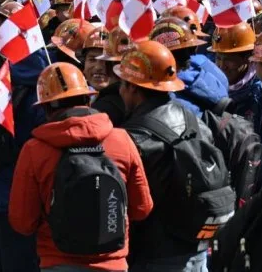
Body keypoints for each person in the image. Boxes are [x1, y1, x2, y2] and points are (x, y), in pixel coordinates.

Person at [9, 62, 154, 271]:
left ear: (46, 108)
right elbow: (142, 209)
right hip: (113, 262)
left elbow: (22, 222)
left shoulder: (34, 150)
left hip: (57, 262)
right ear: (88, 98)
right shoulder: (122, 140)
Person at [117, 40, 228, 272]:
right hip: (196, 250)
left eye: (122, 84)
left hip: (157, 256)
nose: (119, 91)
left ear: (133, 88)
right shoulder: (193, 120)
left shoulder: (134, 139)